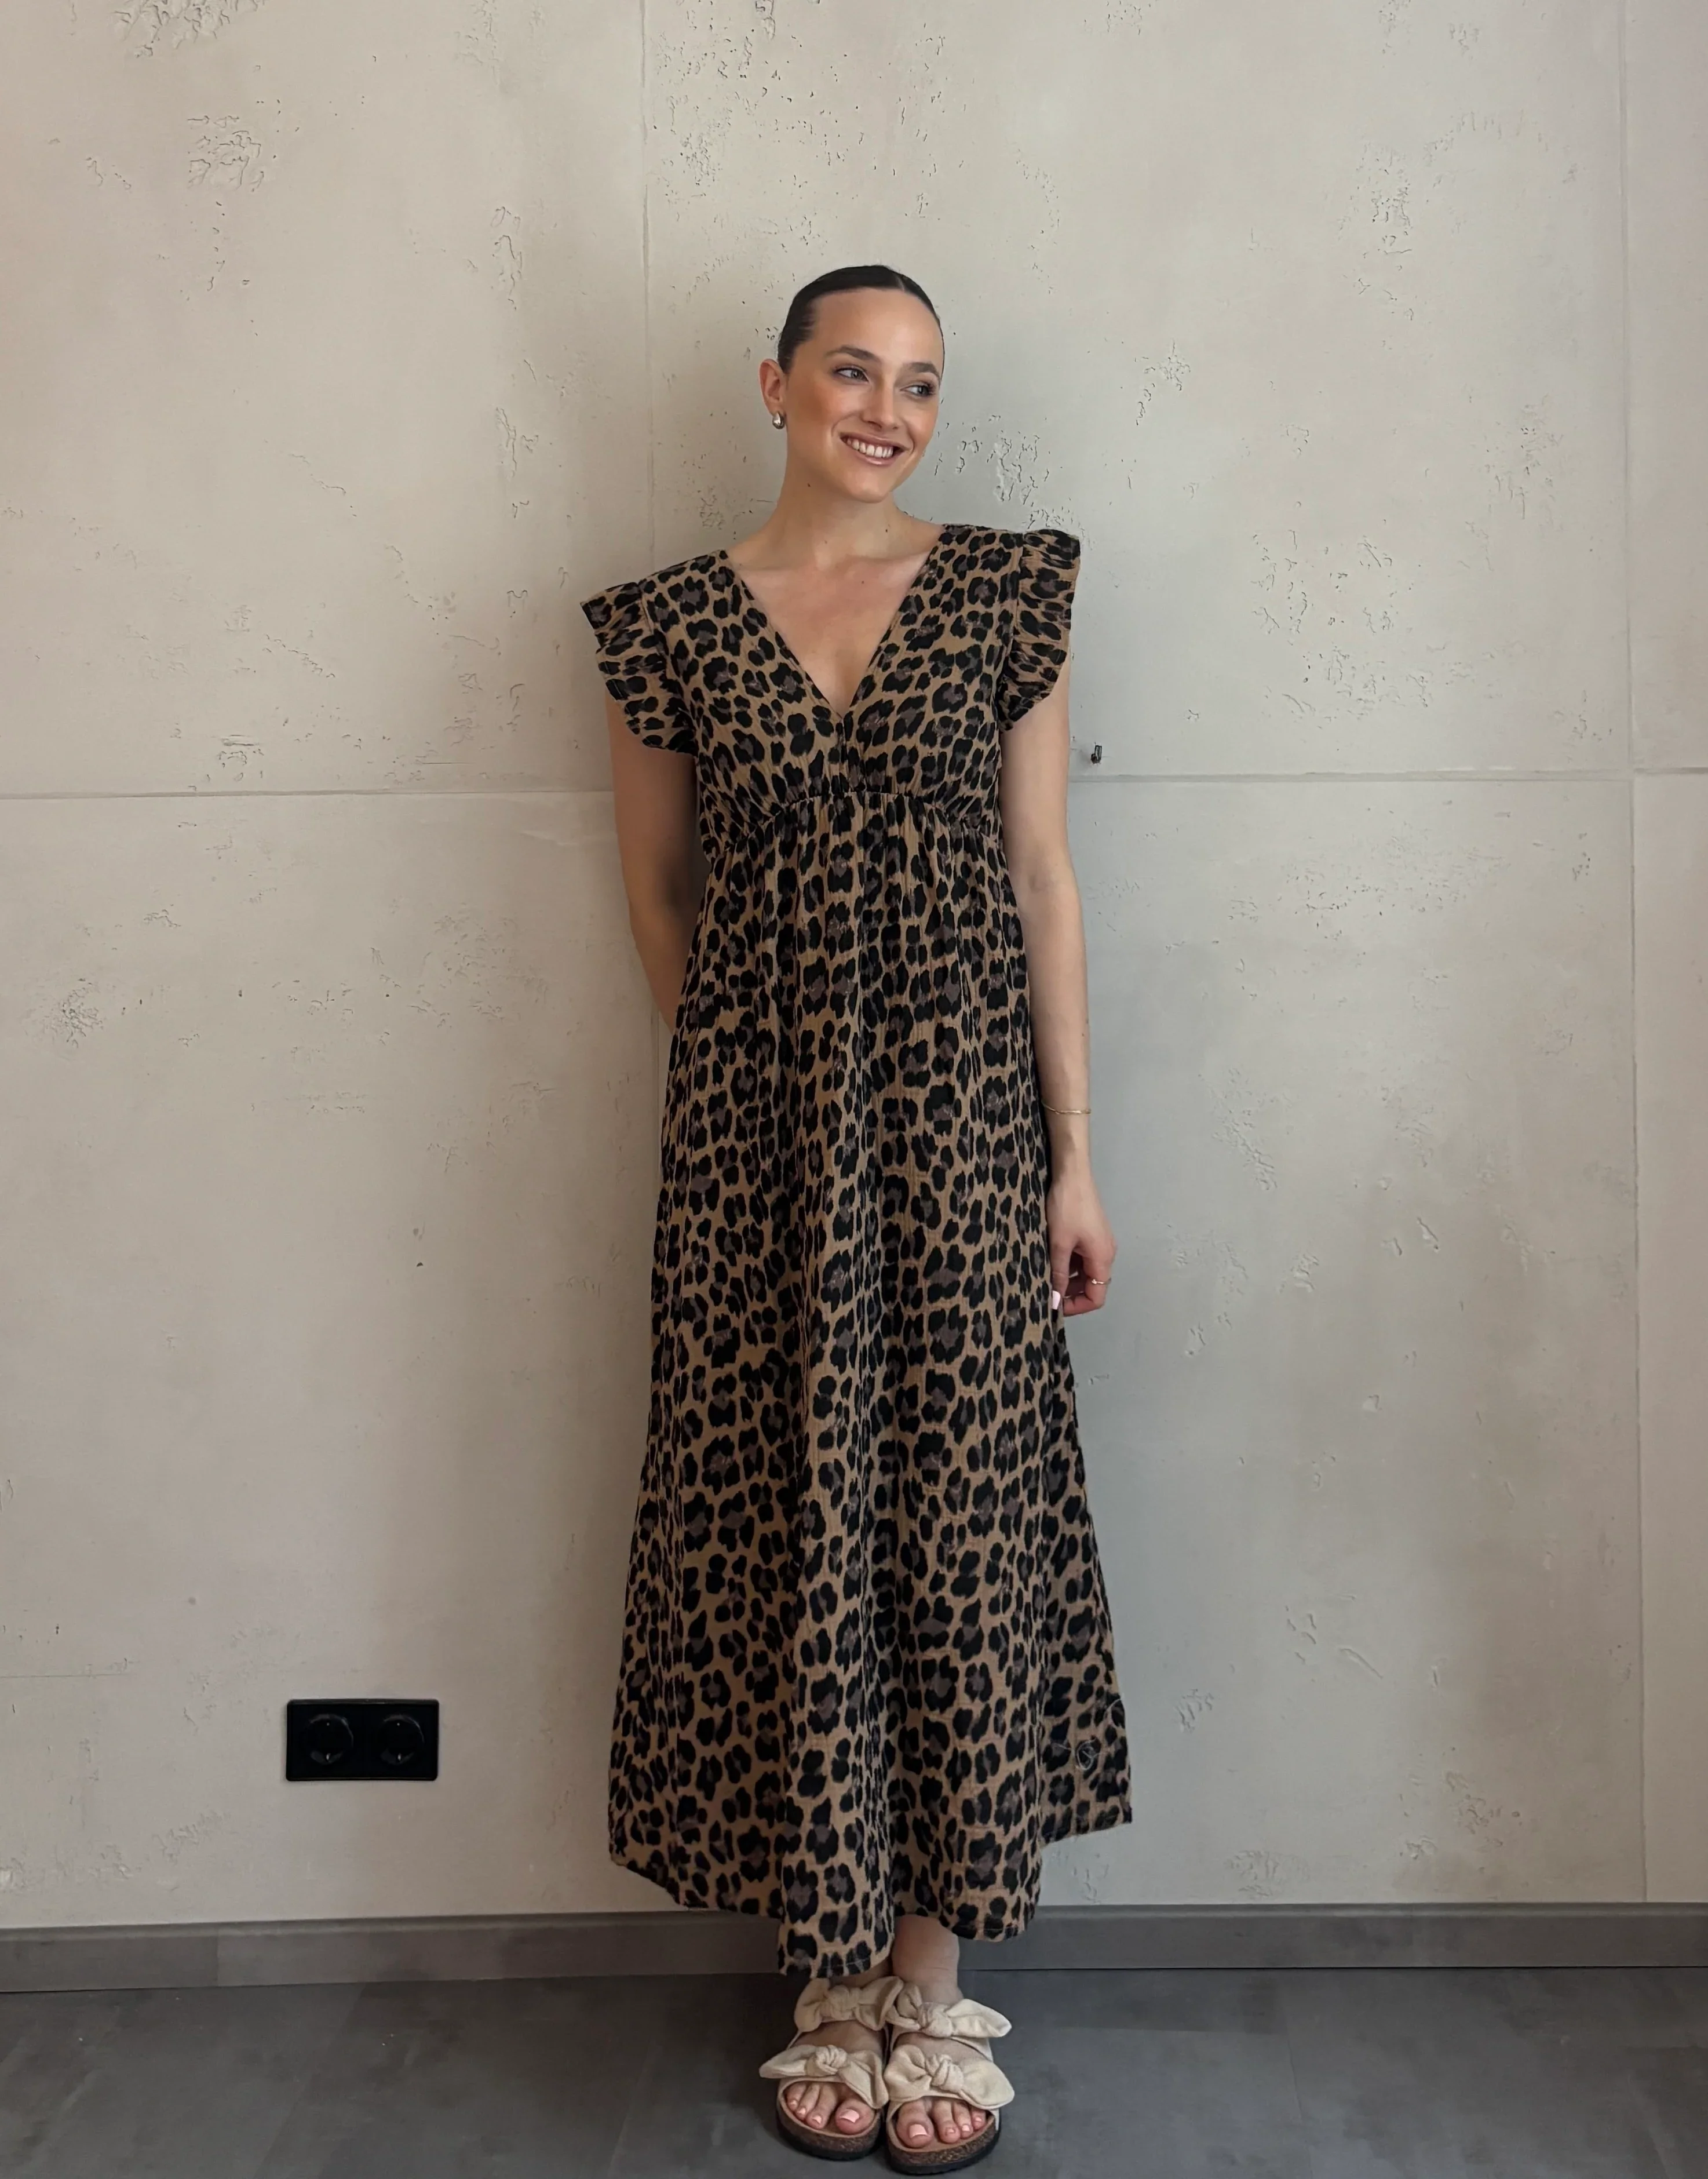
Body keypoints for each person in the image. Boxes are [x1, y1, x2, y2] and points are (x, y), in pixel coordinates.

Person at [583, 264, 1131, 2171]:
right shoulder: (664, 625)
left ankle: (929, 1981)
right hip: (754, 1157)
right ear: (776, 384)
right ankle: (828, 1982)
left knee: (956, 1525)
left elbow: (1042, 877)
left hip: (969, 1135)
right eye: (850, 371)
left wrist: (1070, 1155)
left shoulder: (1004, 592)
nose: (885, 411)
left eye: (918, 382)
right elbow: (659, 895)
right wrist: (755, 1083)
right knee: (790, 1515)